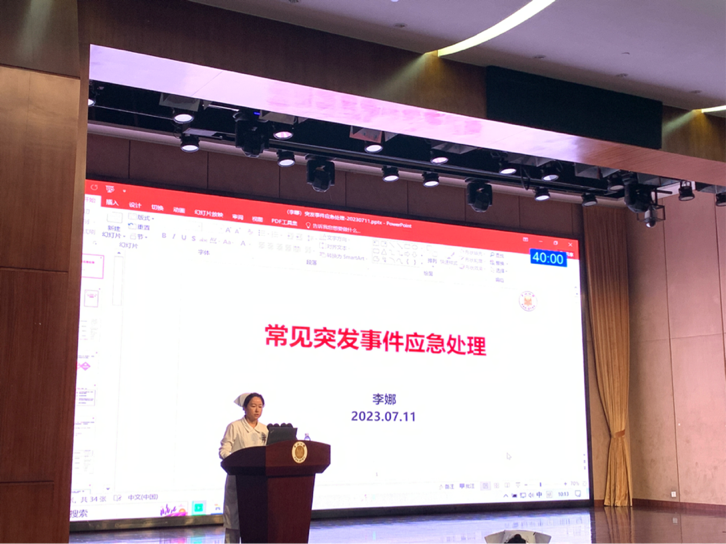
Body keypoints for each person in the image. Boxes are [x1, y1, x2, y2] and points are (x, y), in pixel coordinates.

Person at [219, 392, 268, 544]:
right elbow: (224, 450)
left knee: (254, 526)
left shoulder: (265, 430)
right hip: (238, 479)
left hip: (257, 483)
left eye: (260, 406)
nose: (257, 410)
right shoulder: (235, 426)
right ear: (244, 408)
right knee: (234, 527)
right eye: (253, 406)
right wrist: (236, 462)